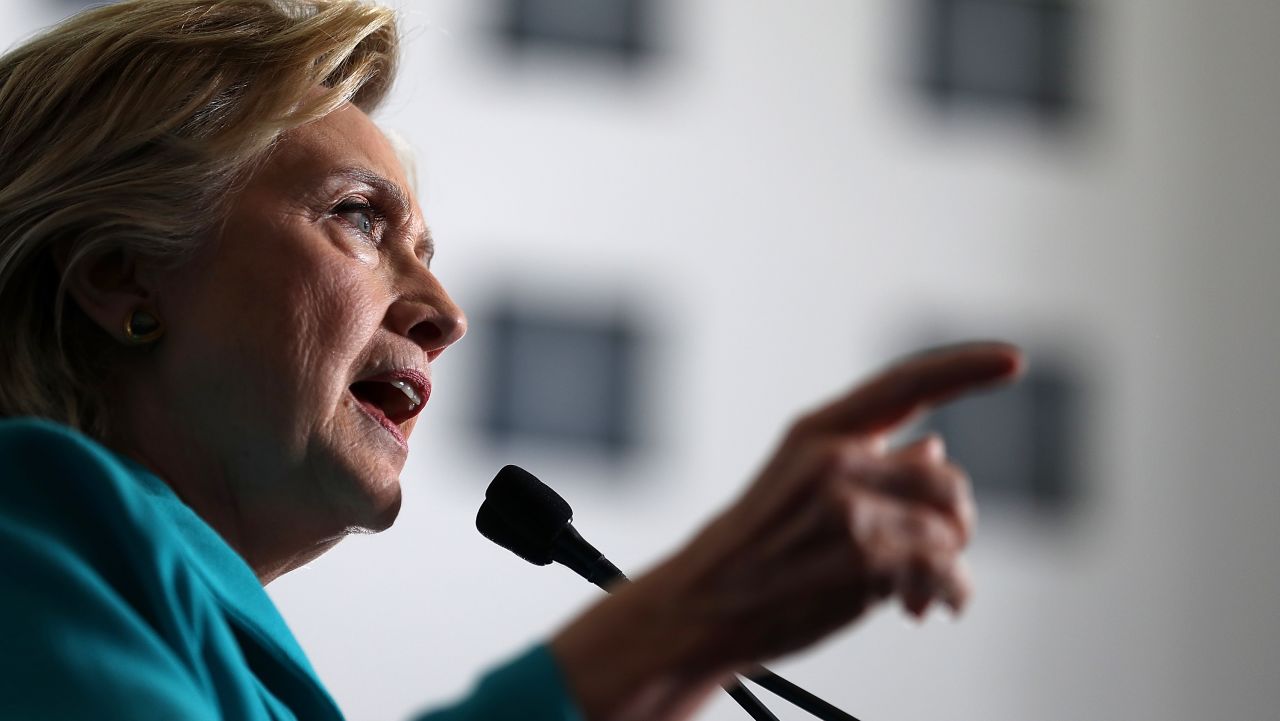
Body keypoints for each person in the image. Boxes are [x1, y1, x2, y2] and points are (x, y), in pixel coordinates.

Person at [0, 1, 1022, 720]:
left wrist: (693, 645)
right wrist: (683, 614)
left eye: (428, 257)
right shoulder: (26, 525)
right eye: (359, 218)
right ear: (123, 276)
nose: (444, 313)